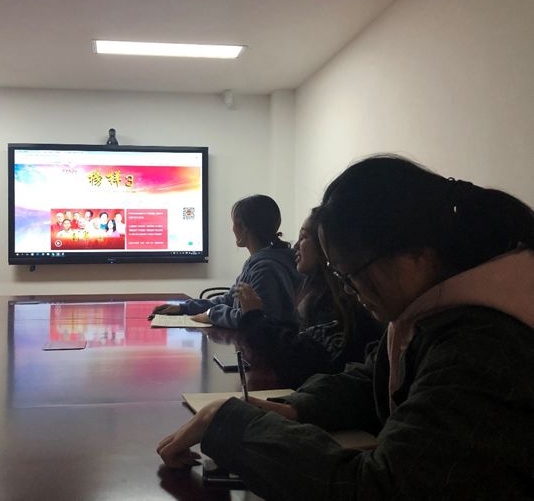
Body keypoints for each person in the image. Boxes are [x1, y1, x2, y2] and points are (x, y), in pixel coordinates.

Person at [157, 155, 534, 499]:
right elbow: (370, 381)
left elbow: (379, 489)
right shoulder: (432, 312)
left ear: (415, 253)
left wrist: (232, 427)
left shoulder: (487, 346)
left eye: (351, 272)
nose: (351, 290)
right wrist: (294, 408)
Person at [236, 209, 383, 388]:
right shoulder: (316, 292)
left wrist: (253, 316)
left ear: (325, 245)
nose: (295, 246)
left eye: (303, 237)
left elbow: (300, 361)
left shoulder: (342, 302)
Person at [151, 194, 302, 328]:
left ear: (244, 228)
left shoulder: (265, 268)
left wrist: (212, 315)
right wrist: (184, 308)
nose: (232, 229)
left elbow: (255, 319)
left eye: (234, 223)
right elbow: (230, 300)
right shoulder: (261, 262)